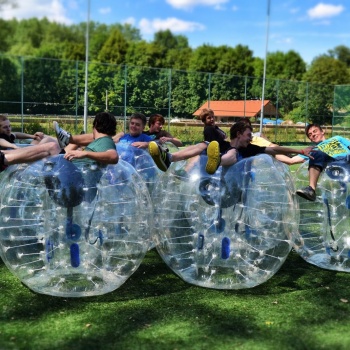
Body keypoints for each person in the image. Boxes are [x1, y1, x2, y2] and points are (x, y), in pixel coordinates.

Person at [149, 121, 313, 174]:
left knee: (234, 152)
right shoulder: (221, 144)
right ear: (239, 133)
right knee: (203, 145)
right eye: (249, 134)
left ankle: (218, 161)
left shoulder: (251, 148)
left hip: (233, 190)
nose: (251, 138)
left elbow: (276, 150)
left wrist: (299, 151)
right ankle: (169, 159)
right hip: (209, 184)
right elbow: (199, 150)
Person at [0, 112, 118, 173]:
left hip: (72, 176)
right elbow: (89, 138)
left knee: (51, 145)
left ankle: (4, 159)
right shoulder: (101, 139)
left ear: (95, 125)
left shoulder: (105, 142)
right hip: (71, 170)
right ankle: (67, 138)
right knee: (50, 141)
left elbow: (113, 156)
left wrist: (85, 153)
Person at [296, 123, 350, 201]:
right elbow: (290, 160)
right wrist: (272, 149)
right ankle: (311, 190)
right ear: (310, 139)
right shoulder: (313, 150)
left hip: (347, 159)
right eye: (310, 134)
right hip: (333, 165)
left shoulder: (337, 138)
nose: (313, 134)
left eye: (315, 131)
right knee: (317, 153)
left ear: (322, 131)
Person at [55, 112, 152, 150]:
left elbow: (159, 146)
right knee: (102, 136)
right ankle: (67, 140)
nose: (134, 126)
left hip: (127, 171)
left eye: (137, 125)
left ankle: (67, 139)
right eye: (132, 123)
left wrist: (147, 144)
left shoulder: (145, 138)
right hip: (114, 166)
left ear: (143, 128)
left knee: (103, 137)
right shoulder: (123, 136)